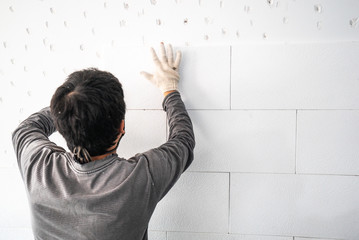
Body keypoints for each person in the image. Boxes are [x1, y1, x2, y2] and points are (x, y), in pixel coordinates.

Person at [12, 43, 195, 240]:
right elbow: (183, 139)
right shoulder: (141, 177)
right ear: (121, 127)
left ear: (61, 125)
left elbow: (27, 128)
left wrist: (72, 105)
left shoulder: (37, 166)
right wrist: (169, 89)